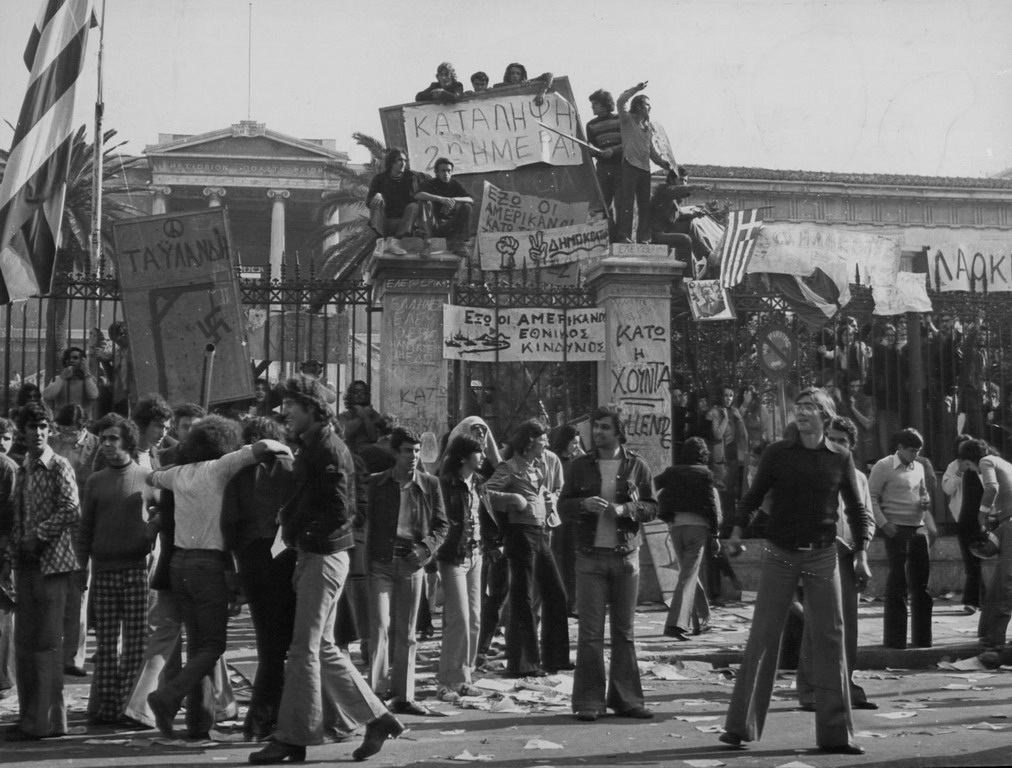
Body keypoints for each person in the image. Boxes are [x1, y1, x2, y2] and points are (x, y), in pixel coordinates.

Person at [250, 376, 402, 764]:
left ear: (313, 409)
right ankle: (378, 718)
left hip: (323, 556)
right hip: (320, 555)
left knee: (303, 650)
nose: (285, 413)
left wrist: (302, 535)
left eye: (292, 406)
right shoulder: (316, 446)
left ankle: (292, 738)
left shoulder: (327, 449)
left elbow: (340, 511)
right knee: (322, 648)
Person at [719, 387, 871, 756]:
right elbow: (753, 497)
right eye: (799, 406)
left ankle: (837, 734)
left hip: (823, 555)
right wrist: (736, 532)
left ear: (825, 415)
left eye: (810, 407)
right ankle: (740, 727)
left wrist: (862, 553)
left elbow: (856, 510)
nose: (801, 412)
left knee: (830, 639)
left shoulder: (840, 457)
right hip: (780, 554)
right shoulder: (778, 453)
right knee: (763, 635)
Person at [145, 416, 292, 739]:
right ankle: (168, 696)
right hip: (207, 565)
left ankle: (198, 725)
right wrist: (287, 450)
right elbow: (263, 446)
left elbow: (151, 476)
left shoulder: (179, 474)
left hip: (178, 564)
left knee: (198, 646)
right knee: (212, 646)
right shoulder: (221, 468)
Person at [558, 404, 658, 721]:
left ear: (619, 432)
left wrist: (626, 510)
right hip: (590, 559)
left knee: (624, 633)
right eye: (596, 426)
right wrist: (583, 504)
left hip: (626, 558)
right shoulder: (579, 466)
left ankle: (627, 700)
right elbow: (562, 507)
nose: (597, 432)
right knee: (590, 634)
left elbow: (652, 507)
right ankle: (589, 702)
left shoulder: (637, 466)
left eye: (604, 427)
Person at [2, 402, 81, 741]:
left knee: (47, 646)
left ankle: (48, 722)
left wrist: (40, 534)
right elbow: (17, 520)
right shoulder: (23, 468)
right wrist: (11, 557)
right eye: (32, 427)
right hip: (25, 565)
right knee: (25, 645)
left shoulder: (59, 465)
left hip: (53, 565)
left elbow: (72, 508)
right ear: (22, 431)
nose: (38, 433)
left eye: (43, 427)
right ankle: (29, 718)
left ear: (50, 430)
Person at [76, 413, 159, 724]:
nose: (107, 444)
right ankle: (107, 708)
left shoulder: (147, 477)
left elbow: (166, 511)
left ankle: (129, 706)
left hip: (136, 570)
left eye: (114, 438)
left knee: (136, 644)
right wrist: (80, 568)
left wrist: (152, 530)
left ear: (128, 441)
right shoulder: (95, 481)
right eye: (104, 439)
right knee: (107, 645)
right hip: (104, 571)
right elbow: (85, 529)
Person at [220, 417, 297, 741]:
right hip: (287, 559)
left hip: (254, 561)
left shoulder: (239, 474)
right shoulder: (292, 468)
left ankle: (261, 719)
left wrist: (239, 568)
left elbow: (229, 526)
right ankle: (270, 717)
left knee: (268, 644)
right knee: (290, 644)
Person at [795, 416, 878, 711]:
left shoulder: (859, 478)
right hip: (818, 553)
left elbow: (865, 517)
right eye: (832, 439)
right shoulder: (810, 471)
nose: (836, 445)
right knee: (816, 624)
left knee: (848, 626)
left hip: (849, 557)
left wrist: (860, 551)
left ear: (851, 446)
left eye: (842, 441)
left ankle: (845, 685)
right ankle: (809, 690)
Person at [364, 426, 447, 714]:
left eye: (416, 451)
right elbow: (364, 519)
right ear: (395, 453)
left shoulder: (430, 484)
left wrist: (426, 548)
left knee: (408, 633)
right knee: (379, 627)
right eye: (406, 451)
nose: (412, 456)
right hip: (381, 562)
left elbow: (442, 525)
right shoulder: (377, 483)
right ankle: (376, 695)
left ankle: (404, 696)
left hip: (412, 563)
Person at [485, 419, 570, 677]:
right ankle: (524, 663)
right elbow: (485, 493)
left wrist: (546, 499)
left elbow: (543, 491)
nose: (546, 444)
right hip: (520, 534)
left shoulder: (537, 466)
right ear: (530, 441)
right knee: (523, 599)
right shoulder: (509, 467)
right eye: (543, 439)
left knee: (556, 593)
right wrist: (513, 499)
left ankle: (555, 657)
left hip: (540, 533)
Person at [868, 427, 936, 649]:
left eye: (918, 451)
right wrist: (884, 524)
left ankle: (922, 638)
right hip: (896, 528)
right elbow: (871, 497)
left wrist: (924, 501)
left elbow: (923, 491)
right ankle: (895, 640)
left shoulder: (919, 467)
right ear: (900, 447)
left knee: (922, 584)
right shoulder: (883, 466)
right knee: (898, 583)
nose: (915, 455)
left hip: (918, 527)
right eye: (912, 450)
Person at [434, 434, 488, 702]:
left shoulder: (478, 482)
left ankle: (465, 677)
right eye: (479, 452)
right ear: (464, 457)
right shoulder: (446, 484)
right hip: (453, 557)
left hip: (475, 555)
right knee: (460, 620)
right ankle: (446, 682)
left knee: (475, 619)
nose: (484, 457)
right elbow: (440, 520)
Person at [51, 403, 99, 676]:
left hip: (83, 526)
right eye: (62, 431)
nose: (66, 436)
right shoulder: (52, 443)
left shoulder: (96, 446)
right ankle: (53, 650)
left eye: (71, 432)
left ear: (83, 427)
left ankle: (73, 656)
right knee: (54, 588)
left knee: (79, 591)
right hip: (55, 524)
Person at [656, 437, 719, 641]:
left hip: (675, 526)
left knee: (688, 574)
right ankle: (675, 624)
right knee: (688, 575)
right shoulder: (705, 474)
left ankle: (702, 620)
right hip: (697, 528)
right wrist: (715, 534)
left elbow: (652, 484)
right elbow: (710, 505)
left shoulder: (672, 472)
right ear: (704, 455)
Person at [957, 438, 1012, 652]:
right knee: (1000, 583)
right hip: (1006, 523)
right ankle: (989, 633)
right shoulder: (1003, 462)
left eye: (969, 465)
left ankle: (994, 637)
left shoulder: (985, 461)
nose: (972, 470)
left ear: (970, 459)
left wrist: (982, 514)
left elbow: (992, 487)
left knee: (1004, 585)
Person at [615, 81, 672, 244]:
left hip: (645, 169)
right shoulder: (627, 120)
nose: (650, 108)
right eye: (647, 105)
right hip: (630, 166)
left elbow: (651, 150)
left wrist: (662, 163)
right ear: (639, 106)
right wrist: (636, 89)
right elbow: (621, 101)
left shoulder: (648, 127)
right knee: (627, 203)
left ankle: (643, 237)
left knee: (644, 205)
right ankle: (624, 235)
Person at [944, 434, 985, 614]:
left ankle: (978, 600)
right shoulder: (954, 466)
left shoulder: (982, 465)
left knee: (979, 561)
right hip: (964, 519)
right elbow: (947, 489)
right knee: (971, 561)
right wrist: (959, 472)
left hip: (982, 517)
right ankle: (975, 600)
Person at [549, 424, 584, 616]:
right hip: (555, 517)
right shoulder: (553, 460)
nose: (576, 447)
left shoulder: (576, 461)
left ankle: (572, 602)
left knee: (571, 561)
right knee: (556, 560)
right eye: (574, 443)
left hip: (570, 518)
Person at [366, 149, 426, 256]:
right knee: (377, 200)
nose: (403, 163)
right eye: (399, 160)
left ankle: (394, 243)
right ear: (391, 162)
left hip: (404, 223)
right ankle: (380, 242)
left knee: (414, 206)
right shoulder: (379, 179)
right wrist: (377, 195)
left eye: (405, 160)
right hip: (383, 222)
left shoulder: (412, 177)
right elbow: (368, 202)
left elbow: (431, 182)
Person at [415, 157, 473, 258]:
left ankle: (461, 244)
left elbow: (470, 199)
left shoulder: (454, 184)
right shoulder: (431, 183)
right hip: (433, 225)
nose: (446, 174)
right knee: (424, 203)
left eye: (449, 171)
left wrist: (453, 200)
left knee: (467, 207)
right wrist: (440, 199)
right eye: (443, 171)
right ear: (436, 172)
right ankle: (427, 244)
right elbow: (418, 195)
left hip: (450, 226)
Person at [585, 89, 622, 229]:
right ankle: (607, 234)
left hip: (621, 167)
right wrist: (592, 151)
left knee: (621, 204)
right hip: (603, 168)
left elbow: (629, 143)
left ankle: (622, 236)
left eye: (595, 104)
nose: (592, 107)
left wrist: (613, 150)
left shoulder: (620, 120)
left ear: (605, 104)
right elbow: (592, 147)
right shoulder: (590, 125)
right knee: (602, 204)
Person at [0, 418, 18, 702]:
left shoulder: (9, 468)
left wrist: (7, 555)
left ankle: (4, 680)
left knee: (3, 616)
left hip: (3, 547)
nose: (2, 443)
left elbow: (15, 514)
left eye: (6, 438)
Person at [43, 347, 100, 419]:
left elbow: (93, 396)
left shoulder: (89, 379)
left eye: (75, 358)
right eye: (68, 358)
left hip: (83, 420)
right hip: (61, 420)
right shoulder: (58, 379)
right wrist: (63, 377)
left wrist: (86, 373)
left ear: (83, 361)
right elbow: (47, 396)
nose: (71, 360)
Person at [338, 380, 381, 453]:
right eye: (356, 392)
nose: (359, 394)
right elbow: (345, 432)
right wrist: (361, 416)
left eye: (362, 392)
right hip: (350, 454)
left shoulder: (373, 414)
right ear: (350, 395)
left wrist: (366, 418)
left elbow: (374, 438)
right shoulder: (344, 416)